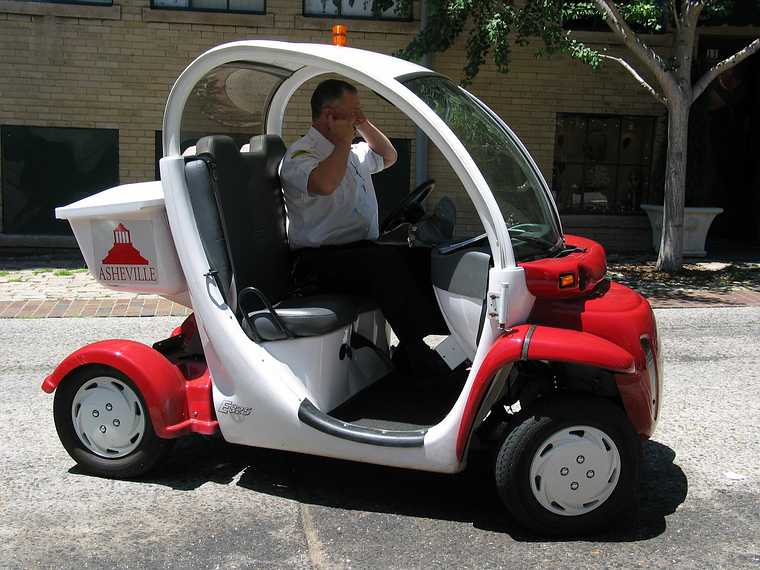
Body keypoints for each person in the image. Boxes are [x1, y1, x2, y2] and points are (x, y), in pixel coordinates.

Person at [279, 79, 448, 376]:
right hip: (317, 263)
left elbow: (388, 156)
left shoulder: (352, 153)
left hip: (356, 254)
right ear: (329, 115)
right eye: (353, 112)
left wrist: (363, 124)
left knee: (421, 257)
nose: (358, 117)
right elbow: (324, 183)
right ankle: (416, 354)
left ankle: (434, 340)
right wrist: (344, 141)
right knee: (383, 263)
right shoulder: (300, 155)